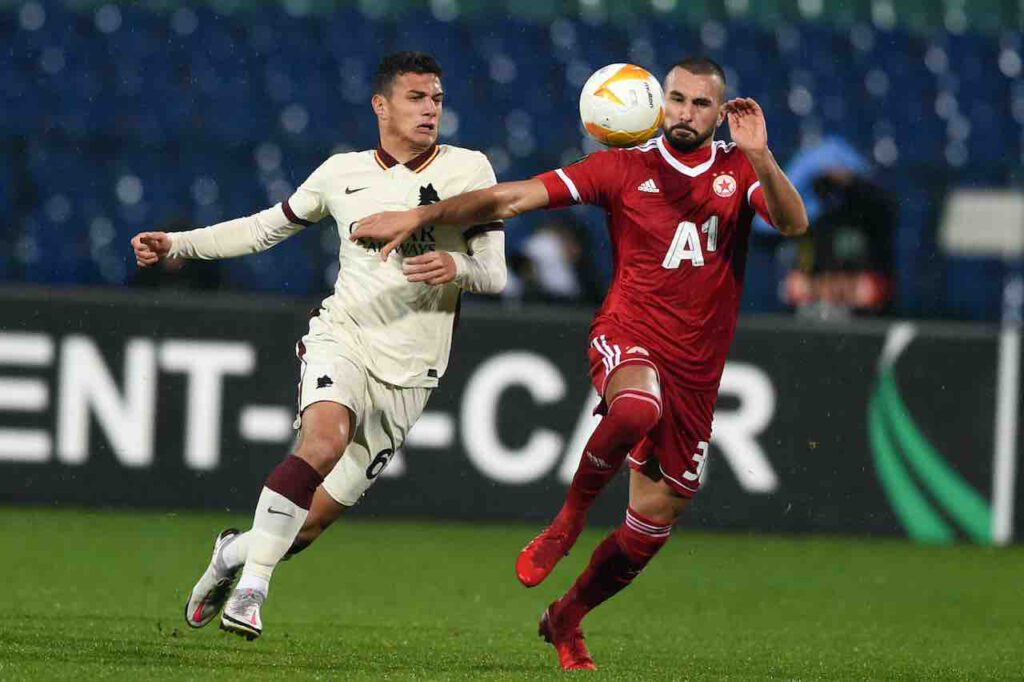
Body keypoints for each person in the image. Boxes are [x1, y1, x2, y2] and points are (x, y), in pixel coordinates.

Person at [352, 57, 808, 671]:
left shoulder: (736, 169)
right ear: (658, 100)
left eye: (701, 105)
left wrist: (761, 155)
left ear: (719, 112)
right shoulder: (622, 166)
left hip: (699, 368)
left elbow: (793, 222)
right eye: (675, 99)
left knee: (650, 527)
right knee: (637, 405)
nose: (684, 113)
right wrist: (421, 215)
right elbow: (512, 196)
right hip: (629, 332)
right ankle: (566, 522)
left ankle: (566, 617)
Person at [130, 51, 507, 640]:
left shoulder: (470, 170)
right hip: (344, 336)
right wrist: (178, 244)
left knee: (305, 528)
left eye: (437, 98)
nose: (431, 109)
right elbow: (264, 228)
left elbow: (494, 275)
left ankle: (231, 556)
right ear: (381, 105)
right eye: (416, 97)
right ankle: (253, 591)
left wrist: (454, 264)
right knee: (323, 439)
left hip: (413, 371)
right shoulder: (341, 173)